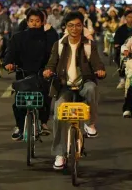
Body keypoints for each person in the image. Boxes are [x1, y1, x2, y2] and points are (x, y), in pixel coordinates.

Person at [42, 11, 105, 170]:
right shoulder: (59, 45)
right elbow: (51, 63)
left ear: (82, 26)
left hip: (84, 82)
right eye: (71, 25)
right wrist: (48, 71)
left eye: (78, 25)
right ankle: (60, 153)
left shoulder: (89, 45)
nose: (75, 29)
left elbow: (97, 63)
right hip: (64, 86)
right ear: (65, 27)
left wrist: (100, 70)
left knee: (92, 89)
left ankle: (90, 124)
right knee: (59, 114)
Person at [4, 9, 57, 140]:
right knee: (19, 102)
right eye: (31, 21)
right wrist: (8, 63)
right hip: (24, 75)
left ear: (43, 22)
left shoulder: (48, 37)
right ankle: (20, 127)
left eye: (37, 21)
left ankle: (43, 122)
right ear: (27, 22)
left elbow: (54, 54)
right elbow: (10, 53)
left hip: (42, 74)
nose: (34, 24)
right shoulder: (18, 37)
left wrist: (49, 69)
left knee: (45, 99)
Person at [114, 10, 132, 88]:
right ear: (125, 18)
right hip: (123, 49)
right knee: (120, 57)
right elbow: (116, 41)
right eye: (128, 17)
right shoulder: (120, 29)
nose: (130, 19)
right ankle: (122, 78)